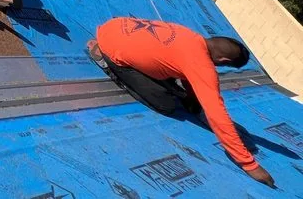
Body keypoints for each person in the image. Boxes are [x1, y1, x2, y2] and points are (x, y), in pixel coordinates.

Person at [88, 17, 275, 189]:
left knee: (172, 78)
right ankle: (104, 60)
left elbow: (187, 73)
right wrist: (248, 164)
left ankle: (128, 61)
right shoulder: (201, 64)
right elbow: (217, 114)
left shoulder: (190, 35)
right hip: (109, 47)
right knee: (165, 104)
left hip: (114, 26)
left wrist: (193, 100)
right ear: (223, 60)